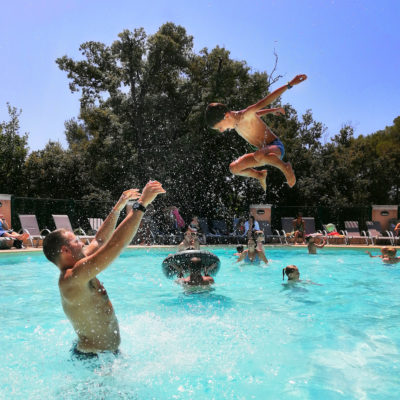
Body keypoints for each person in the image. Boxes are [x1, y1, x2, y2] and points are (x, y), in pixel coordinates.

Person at [42, 180, 165, 358]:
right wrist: (141, 205)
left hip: (105, 354)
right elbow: (115, 245)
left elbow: (99, 241)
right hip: (93, 359)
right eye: (76, 241)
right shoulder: (72, 278)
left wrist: (118, 207)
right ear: (65, 250)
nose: (82, 242)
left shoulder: (79, 263)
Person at [206, 74, 307, 191]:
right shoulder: (236, 122)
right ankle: (259, 175)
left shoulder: (245, 115)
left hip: (275, 147)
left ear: (227, 116)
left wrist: (289, 84)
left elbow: (265, 101)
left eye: (220, 127)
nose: (222, 130)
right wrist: (272, 111)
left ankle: (285, 167)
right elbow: (257, 114)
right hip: (261, 154)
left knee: (259, 155)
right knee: (234, 168)